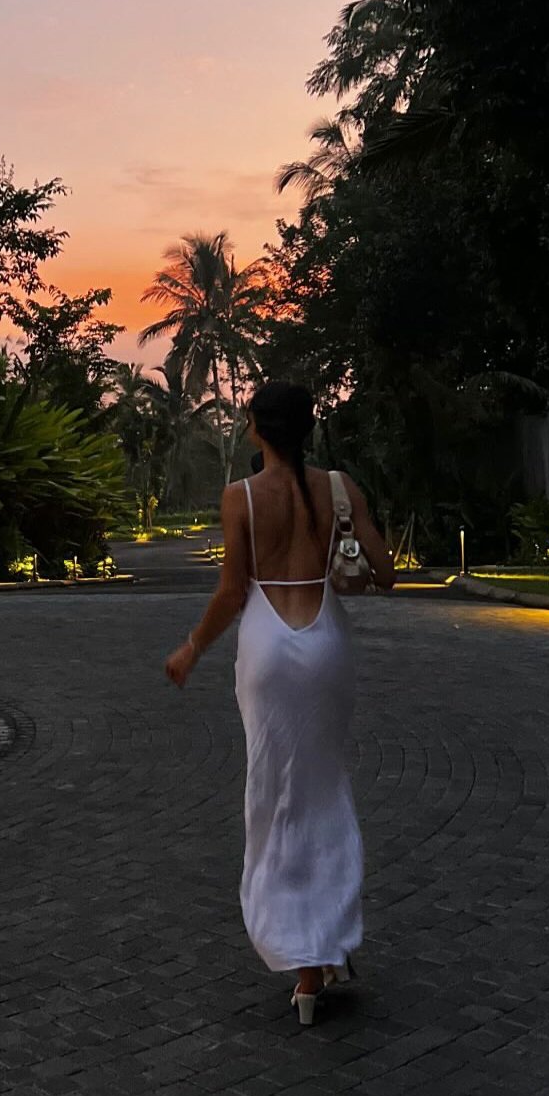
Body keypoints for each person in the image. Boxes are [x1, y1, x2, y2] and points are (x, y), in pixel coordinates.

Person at [164, 381, 394, 1025]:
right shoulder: (339, 487)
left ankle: (302, 960)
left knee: (272, 795)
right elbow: (386, 572)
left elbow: (234, 591)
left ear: (253, 427)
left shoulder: (239, 498)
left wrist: (190, 648)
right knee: (323, 788)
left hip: (266, 650)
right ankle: (323, 950)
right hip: (325, 646)